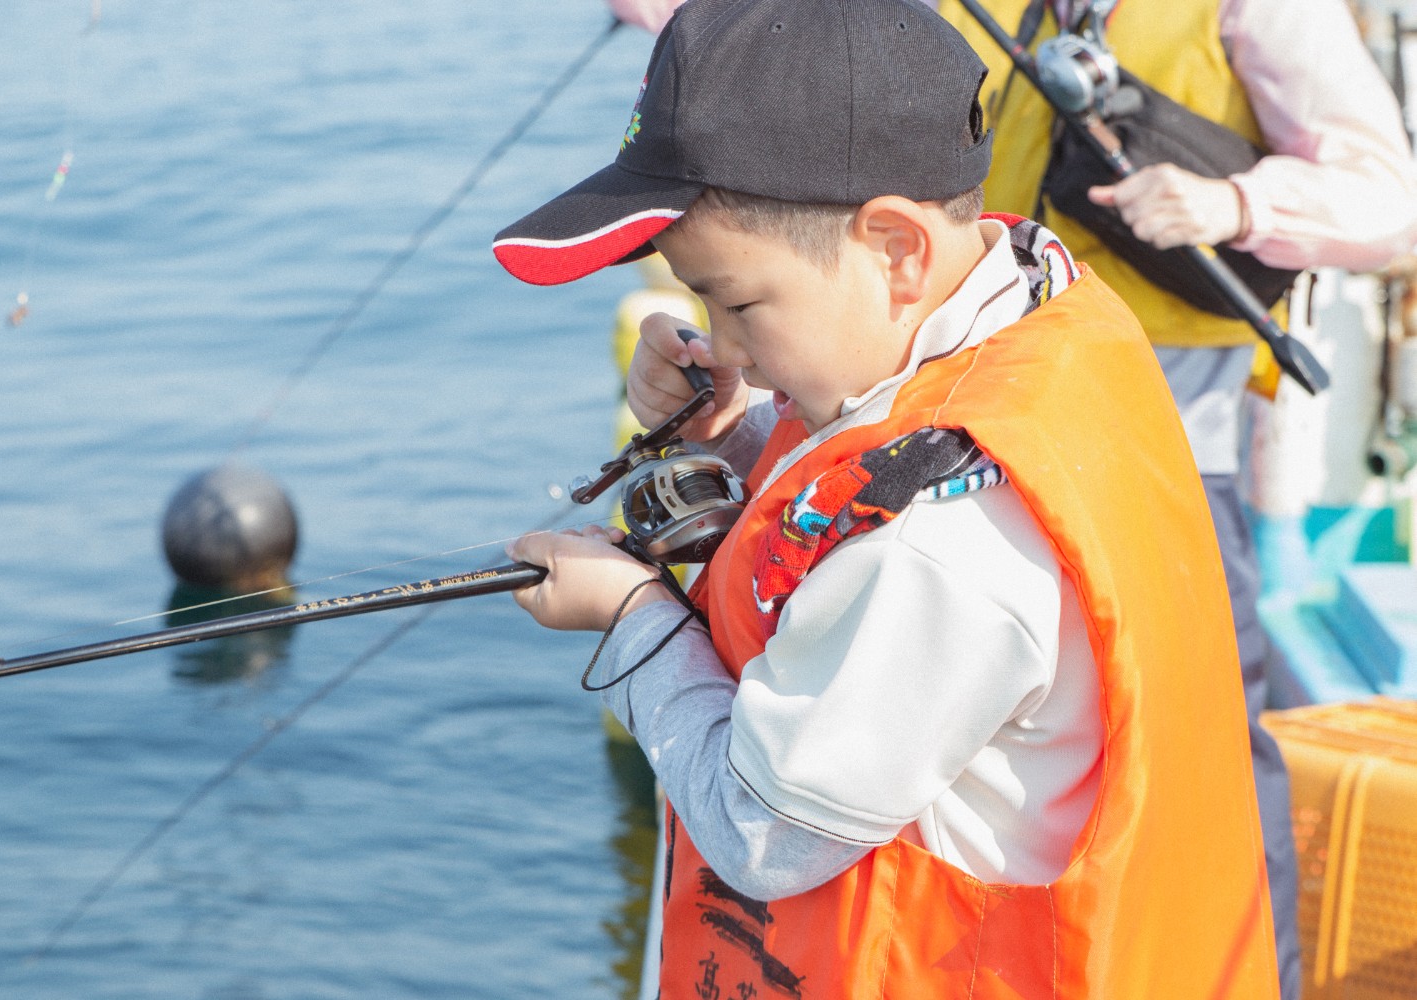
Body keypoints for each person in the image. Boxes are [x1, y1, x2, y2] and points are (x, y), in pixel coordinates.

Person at [494, 0, 1279, 995]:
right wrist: (734, 432)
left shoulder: (943, 543)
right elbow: (883, 446)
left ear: (897, 249)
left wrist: (633, 618)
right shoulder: (1034, 300)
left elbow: (764, 829)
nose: (717, 344)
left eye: (735, 303)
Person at [930, 2, 1417, 995]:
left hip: (1168, 457)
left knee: (1208, 761)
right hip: (963, 445)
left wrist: (1232, 207)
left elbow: (1389, 198)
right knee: (978, 760)